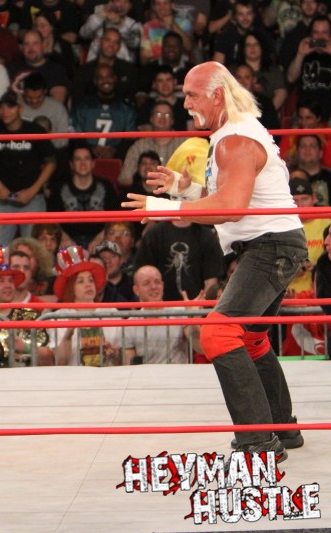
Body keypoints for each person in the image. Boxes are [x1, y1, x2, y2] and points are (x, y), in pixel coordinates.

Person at [123, 61, 306, 458]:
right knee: (251, 339)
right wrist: (185, 190)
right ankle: (282, 428)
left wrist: (162, 208)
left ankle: (259, 443)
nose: (185, 103)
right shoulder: (233, 133)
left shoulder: (234, 139)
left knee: (218, 334)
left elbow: (232, 207)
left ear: (218, 95)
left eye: (192, 95)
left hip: (269, 245)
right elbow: (233, 195)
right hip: (275, 243)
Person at [0, 91, 56, 246]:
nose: (5, 111)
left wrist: (33, 190)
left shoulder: (35, 130)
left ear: (20, 108)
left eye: (10, 106)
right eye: (2, 107)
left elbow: (51, 162)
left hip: (32, 199)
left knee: (35, 248)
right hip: (3, 198)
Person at [122, 265, 197, 364]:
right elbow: (129, 363)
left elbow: (200, 348)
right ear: (136, 290)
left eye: (157, 282)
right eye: (146, 283)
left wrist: (194, 318)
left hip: (177, 372)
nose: (154, 287)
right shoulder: (129, 324)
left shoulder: (180, 313)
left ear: (163, 285)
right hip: (146, 373)